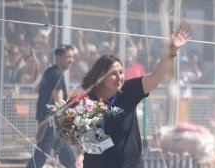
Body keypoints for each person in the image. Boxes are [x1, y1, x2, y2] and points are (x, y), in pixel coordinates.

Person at [80, 26, 190, 168]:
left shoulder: (127, 90)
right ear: (101, 77)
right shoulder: (87, 101)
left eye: (121, 72)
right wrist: (79, 155)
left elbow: (156, 77)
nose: (119, 77)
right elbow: (80, 136)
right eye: (113, 73)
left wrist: (172, 50)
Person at [26, 44, 76, 168]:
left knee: (66, 155)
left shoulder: (51, 72)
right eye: (67, 57)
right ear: (58, 57)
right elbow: (59, 102)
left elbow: (40, 90)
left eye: (72, 57)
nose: (71, 60)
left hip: (49, 120)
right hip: (52, 122)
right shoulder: (56, 74)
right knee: (42, 155)